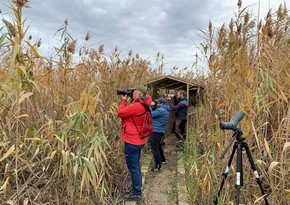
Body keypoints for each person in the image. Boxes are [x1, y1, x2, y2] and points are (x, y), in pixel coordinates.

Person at [117, 85, 152, 201]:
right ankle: (136, 188)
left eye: (134, 91)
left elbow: (121, 113)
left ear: (139, 93)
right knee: (136, 165)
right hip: (138, 140)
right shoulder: (143, 104)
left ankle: (136, 193)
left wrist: (123, 101)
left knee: (133, 167)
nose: (132, 93)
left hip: (132, 141)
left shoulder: (137, 106)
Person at [150, 98, 170, 172]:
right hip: (159, 131)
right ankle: (162, 159)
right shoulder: (165, 109)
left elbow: (150, 114)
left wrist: (149, 107)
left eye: (158, 103)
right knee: (158, 146)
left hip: (156, 131)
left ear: (161, 103)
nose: (157, 104)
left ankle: (158, 166)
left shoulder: (161, 110)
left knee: (154, 148)